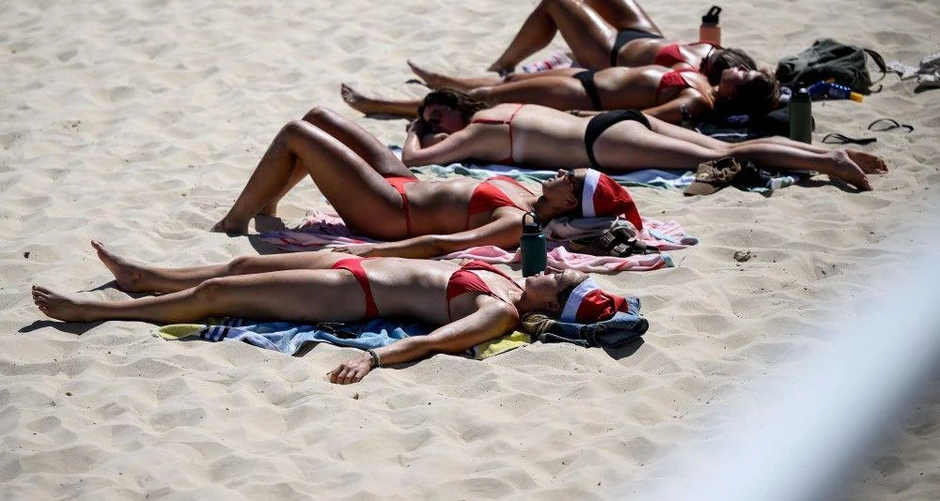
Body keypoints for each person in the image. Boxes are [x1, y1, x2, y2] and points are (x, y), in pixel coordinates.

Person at [31, 241, 631, 384]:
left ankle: (95, 310)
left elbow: (430, 343)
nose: (552, 267)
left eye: (560, 277)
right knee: (239, 269)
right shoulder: (512, 276)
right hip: (356, 263)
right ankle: (144, 278)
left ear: (553, 302)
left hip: (352, 297)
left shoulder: (498, 310)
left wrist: (371, 358)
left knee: (218, 298)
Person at [209, 106, 641, 257]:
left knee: (296, 134)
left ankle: (234, 221)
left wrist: (379, 252)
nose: (564, 172)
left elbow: (443, 245)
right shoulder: (530, 193)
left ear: (569, 203)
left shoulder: (518, 223)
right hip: (404, 183)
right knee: (318, 118)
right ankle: (265, 207)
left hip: (390, 213)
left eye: (572, 178)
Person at [399, 90, 888, 191]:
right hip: (616, 121)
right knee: (719, 149)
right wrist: (425, 120)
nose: (434, 123)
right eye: (428, 118)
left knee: (726, 152)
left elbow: (416, 160)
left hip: (602, 143)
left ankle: (830, 161)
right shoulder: (503, 111)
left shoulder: (476, 131)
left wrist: (414, 130)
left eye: (435, 113)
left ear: (456, 106)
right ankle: (822, 153)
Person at [342, 56, 779, 127]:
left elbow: (647, 119)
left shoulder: (697, 99)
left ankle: (382, 105)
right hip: (587, 79)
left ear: (738, 94)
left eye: (745, 76)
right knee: (506, 84)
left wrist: (583, 121)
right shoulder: (706, 78)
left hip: (585, 97)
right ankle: (446, 83)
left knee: (493, 97)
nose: (738, 69)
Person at [484, 0, 765, 79]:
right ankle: (581, 41)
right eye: (742, 68)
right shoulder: (717, 54)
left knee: (556, 1)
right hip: (644, 36)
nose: (740, 71)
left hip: (611, 55)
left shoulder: (694, 77)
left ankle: (502, 65)